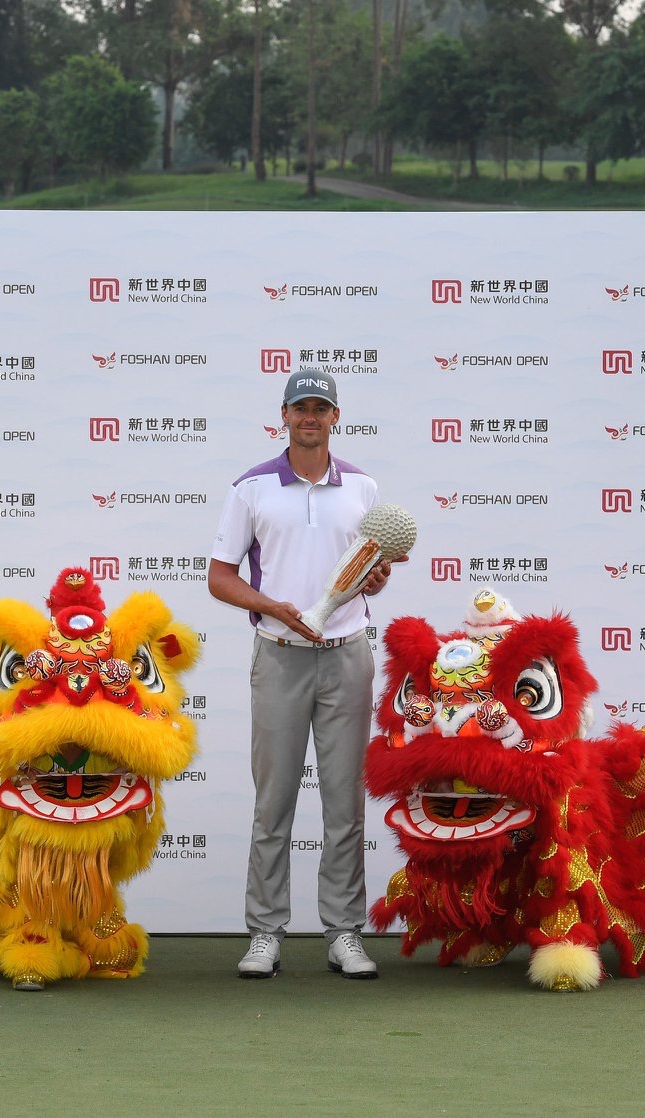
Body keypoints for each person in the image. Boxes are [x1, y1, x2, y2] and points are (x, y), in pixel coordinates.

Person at [208, 368, 394, 980]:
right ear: (283, 416)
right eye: (299, 407)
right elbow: (221, 576)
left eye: (320, 407)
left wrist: (377, 579)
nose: (309, 416)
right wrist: (272, 606)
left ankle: (344, 932)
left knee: (345, 804)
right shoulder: (253, 488)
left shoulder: (363, 488)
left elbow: (373, 567)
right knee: (274, 801)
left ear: (336, 416)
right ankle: (265, 932)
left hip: (347, 655)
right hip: (280, 652)